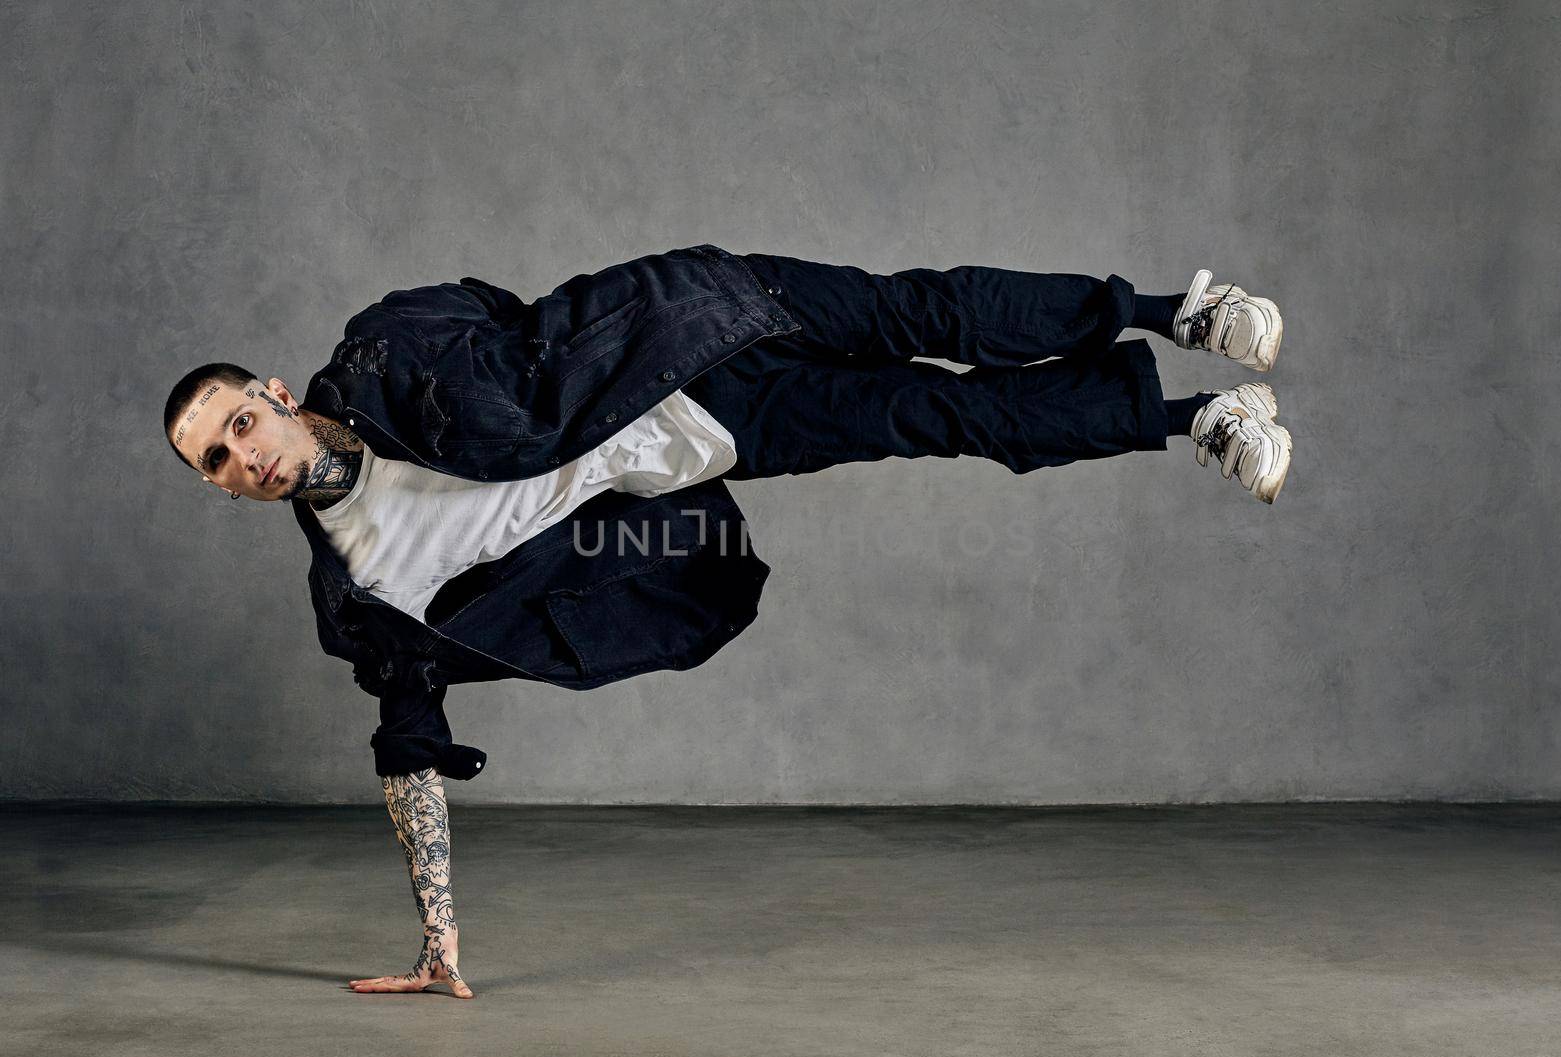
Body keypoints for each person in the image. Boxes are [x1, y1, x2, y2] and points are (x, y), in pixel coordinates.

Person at [161, 245, 1293, 998]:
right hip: (720, 431)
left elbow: (504, 316)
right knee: (944, 412)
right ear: (217, 487)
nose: (243, 456)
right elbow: (406, 737)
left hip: (696, 315)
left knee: (923, 309)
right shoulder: (366, 590)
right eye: (218, 460)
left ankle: (1178, 311)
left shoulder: (379, 350)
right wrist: (437, 936)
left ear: (270, 392)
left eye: (239, 423)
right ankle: (1198, 418)